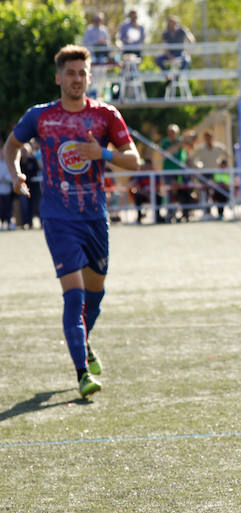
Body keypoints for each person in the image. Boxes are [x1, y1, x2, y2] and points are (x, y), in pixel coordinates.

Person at [3, 44, 140, 398]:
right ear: (58, 77)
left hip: (95, 215)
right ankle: (83, 373)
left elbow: (134, 161)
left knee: (96, 294)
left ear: (89, 77)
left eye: (82, 73)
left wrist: (102, 153)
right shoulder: (41, 116)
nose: (76, 79)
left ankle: (83, 341)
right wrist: (15, 174)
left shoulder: (105, 115)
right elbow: (12, 145)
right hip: (57, 215)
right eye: (70, 73)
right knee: (73, 294)